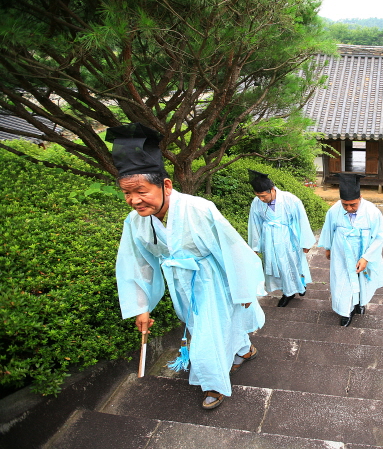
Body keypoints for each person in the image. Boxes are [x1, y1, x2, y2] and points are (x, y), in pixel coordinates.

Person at [108, 123, 266, 410]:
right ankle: (245, 349)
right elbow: (136, 264)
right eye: (126, 193)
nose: (134, 200)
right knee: (211, 326)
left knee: (206, 336)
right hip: (179, 281)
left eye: (141, 190)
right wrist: (140, 306)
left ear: (165, 185)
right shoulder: (134, 221)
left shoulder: (199, 209)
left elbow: (231, 248)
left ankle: (214, 385)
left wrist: (244, 290)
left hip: (213, 279)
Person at [318, 173, 383, 326]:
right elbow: (329, 229)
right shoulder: (334, 210)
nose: (349, 208)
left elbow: (378, 237)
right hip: (342, 252)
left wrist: (366, 258)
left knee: (362, 279)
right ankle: (345, 311)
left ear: (360, 198)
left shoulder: (372, 212)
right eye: (345, 205)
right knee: (343, 281)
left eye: (353, 205)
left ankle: (360, 303)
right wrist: (328, 248)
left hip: (363, 251)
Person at [247, 170, 315, 307]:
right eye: (258, 196)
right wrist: (255, 247)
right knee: (278, 265)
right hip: (269, 238)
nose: (261, 199)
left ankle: (300, 285)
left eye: (263, 196)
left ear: (272, 190)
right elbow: (254, 224)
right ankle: (287, 292)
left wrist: (306, 242)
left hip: (288, 237)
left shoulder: (291, 199)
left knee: (293, 263)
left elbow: (302, 220)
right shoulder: (256, 203)